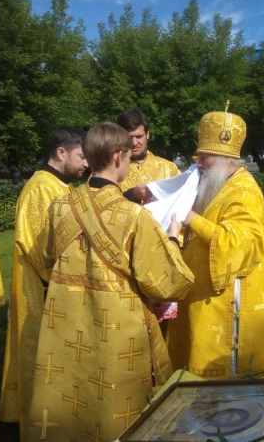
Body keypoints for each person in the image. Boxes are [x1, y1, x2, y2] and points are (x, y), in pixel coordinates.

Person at [27, 122, 194, 441]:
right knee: (122, 412)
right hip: (118, 333)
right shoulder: (134, 217)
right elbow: (168, 283)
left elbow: (49, 258)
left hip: (66, 326)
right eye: (129, 157)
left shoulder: (61, 206)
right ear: (118, 157)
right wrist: (172, 238)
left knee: (73, 397)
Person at [167, 107, 264, 378]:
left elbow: (239, 247)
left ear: (223, 158)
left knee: (222, 375)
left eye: (204, 157)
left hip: (228, 300)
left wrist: (192, 218)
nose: (198, 163)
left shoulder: (244, 191)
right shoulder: (219, 184)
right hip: (202, 291)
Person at [0, 126, 88, 438]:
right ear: (61, 153)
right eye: (81, 156)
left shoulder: (58, 185)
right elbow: (39, 249)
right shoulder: (41, 188)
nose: (86, 163)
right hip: (41, 290)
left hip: (53, 288)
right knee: (40, 359)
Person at [116, 109, 180, 202]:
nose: (134, 143)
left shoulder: (169, 168)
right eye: (129, 137)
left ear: (147, 134)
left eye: (139, 136)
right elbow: (98, 202)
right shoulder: (110, 169)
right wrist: (131, 194)